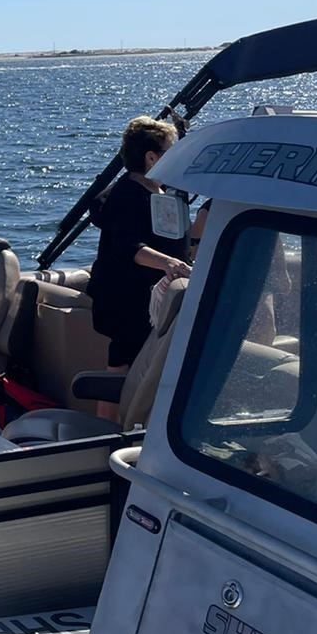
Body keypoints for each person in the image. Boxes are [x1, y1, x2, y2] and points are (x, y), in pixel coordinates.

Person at [88, 117, 193, 419]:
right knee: (122, 363)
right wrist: (171, 264)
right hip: (129, 299)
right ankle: (106, 434)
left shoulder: (162, 194)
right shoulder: (126, 195)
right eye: (171, 151)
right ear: (151, 157)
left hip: (156, 297)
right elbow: (128, 247)